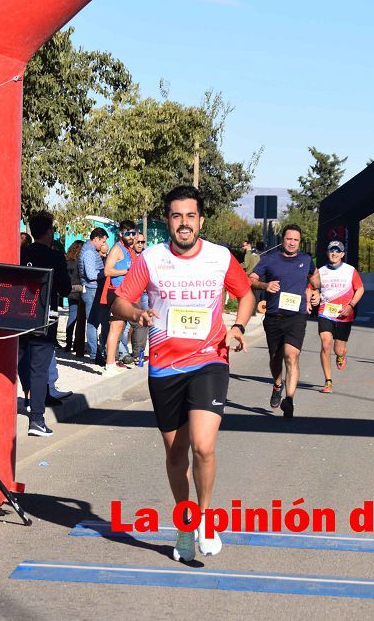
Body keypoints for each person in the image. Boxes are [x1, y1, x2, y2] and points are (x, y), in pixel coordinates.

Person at [113, 185, 254, 562]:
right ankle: (185, 523)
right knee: (176, 454)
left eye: (191, 216)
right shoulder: (151, 259)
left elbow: (247, 295)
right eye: (177, 216)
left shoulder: (221, 257)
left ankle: (206, 516)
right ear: (168, 221)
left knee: (203, 446)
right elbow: (120, 300)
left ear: (201, 220)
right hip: (164, 366)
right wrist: (137, 314)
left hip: (210, 360)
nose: (184, 223)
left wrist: (237, 327)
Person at [248, 225, 318, 417]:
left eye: (296, 240)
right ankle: (277, 384)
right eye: (289, 239)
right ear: (282, 239)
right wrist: (264, 284)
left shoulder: (306, 259)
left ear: (299, 241)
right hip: (273, 316)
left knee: (291, 355)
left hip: (296, 316)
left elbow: (315, 275)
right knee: (275, 358)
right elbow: (250, 279)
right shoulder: (269, 260)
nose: (292, 243)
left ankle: (289, 400)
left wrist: (316, 291)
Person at [19, 212, 72, 437]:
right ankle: (37, 420)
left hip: (18, 315)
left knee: (22, 360)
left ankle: (31, 398)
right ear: (49, 231)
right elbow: (65, 289)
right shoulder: (55, 257)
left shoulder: (20, 253)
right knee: (39, 368)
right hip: (44, 318)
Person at [315, 241, 363, 394]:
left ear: (342, 254)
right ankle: (328, 381)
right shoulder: (320, 271)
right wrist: (312, 297)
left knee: (338, 349)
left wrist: (351, 306)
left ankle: (342, 354)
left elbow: (360, 288)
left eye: (337, 251)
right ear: (327, 253)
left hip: (344, 314)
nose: (334, 253)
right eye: (331, 251)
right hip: (325, 311)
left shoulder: (350, 270)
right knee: (325, 343)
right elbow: (311, 288)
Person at [102, 220, 138, 374]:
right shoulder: (117, 249)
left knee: (118, 328)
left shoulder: (129, 249)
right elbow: (107, 271)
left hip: (125, 293)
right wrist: (126, 271)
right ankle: (109, 365)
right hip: (116, 292)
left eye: (133, 233)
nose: (131, 236)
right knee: (115, 328)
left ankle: (111, 363)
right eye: (127, 233)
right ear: (121, 234)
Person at [79, 227, 109, 362]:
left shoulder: (90, 250)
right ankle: (94, 354)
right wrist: (107, 272)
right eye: (102, 242)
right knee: (92, 323)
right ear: (96, 239)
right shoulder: (90, 252)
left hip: (93, 289)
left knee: (93, 322)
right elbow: (91, 274)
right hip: (92, 289)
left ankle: (95, 352)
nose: (103, 245)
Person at [129, 233, 150, 362]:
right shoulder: (127, 255)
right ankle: (121, 353)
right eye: (138, 242)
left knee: (145, 322)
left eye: (143, 242)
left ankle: (139, 354)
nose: (140, 244)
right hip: (131, 294)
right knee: (126, 325)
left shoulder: (146, 256)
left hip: (145, 293)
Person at [64, 240, 86, 354]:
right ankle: (78, 344)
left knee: (71, 315)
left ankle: (68, 342)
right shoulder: (79, 262)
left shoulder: (67, 261)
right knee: (80, 318)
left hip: (70, 290)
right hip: (80, 291)